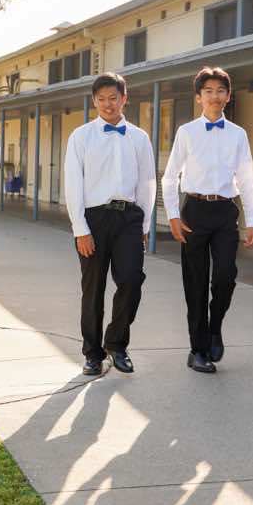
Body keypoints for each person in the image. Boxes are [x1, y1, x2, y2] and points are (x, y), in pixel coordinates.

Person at [162, 66, 253, 374]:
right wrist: (173, 216)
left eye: (220, 91)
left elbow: (247, 178)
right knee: (195, 283)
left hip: (224, 212)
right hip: (194, 211)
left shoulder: (238, 134)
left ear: (228, 96)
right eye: (208, 91)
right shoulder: (187, 132)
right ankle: (198, 350)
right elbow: (170, 177)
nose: (214, 96)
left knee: (225, 276)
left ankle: (214, 327)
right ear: (199, 97)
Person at [64, 72, 156, 376]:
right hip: (93, 218)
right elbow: (73, 184)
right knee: (93, 288)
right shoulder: (81, 137)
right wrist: (80, 229)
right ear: (94, 101)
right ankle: (93, 353)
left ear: (124, 99)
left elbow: (147, 182)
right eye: (101, 99)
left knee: (132, 279)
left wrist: (144, 225)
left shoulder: (139, 138)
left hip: (129, 218)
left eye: (113, 98)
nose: (108, 104)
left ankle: (116, 344)